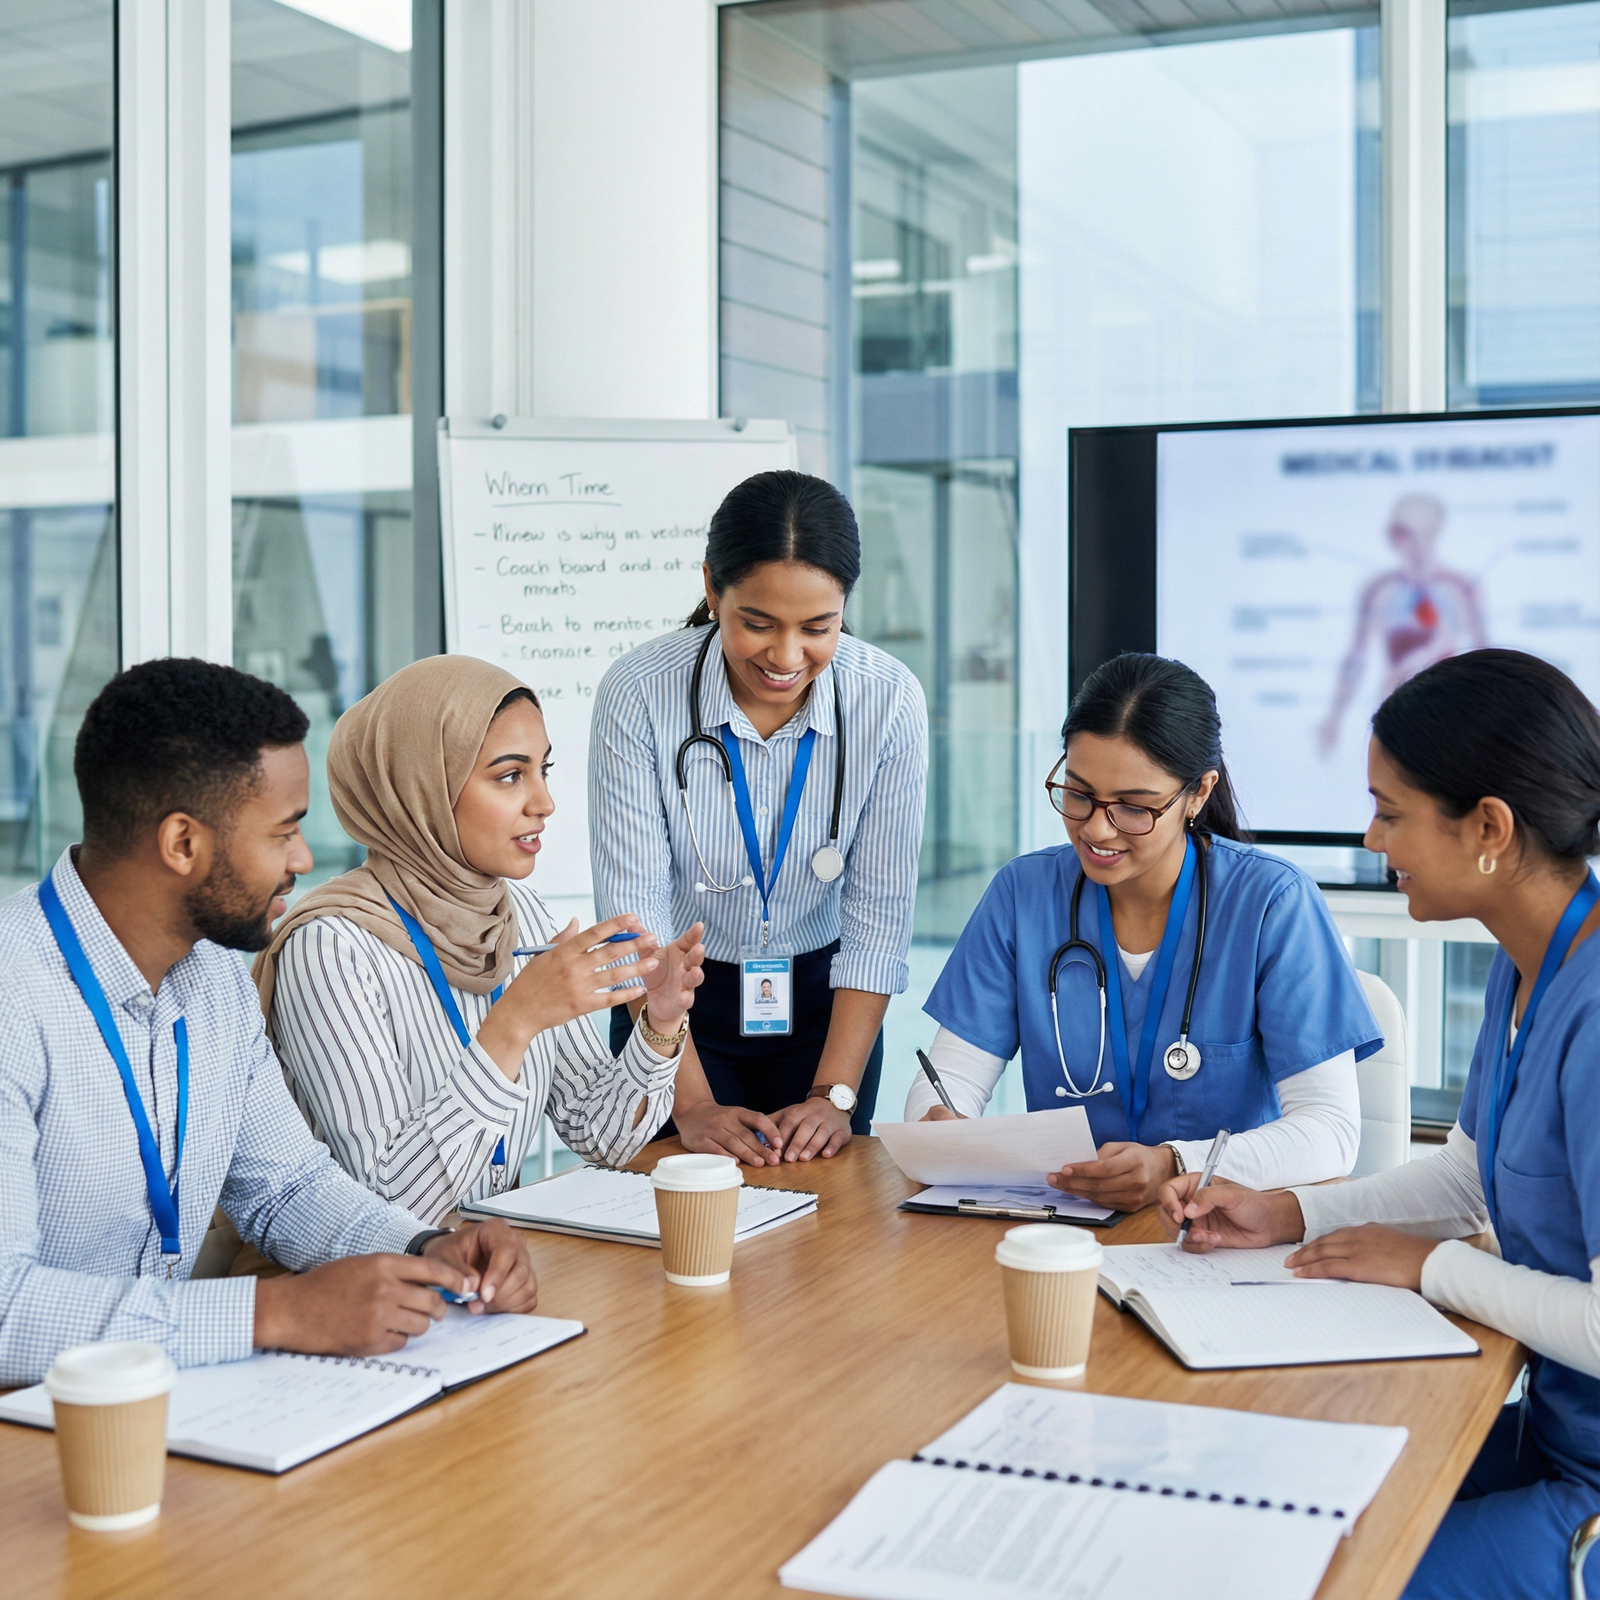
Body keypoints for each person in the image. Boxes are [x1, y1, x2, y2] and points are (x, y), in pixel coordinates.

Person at [1161, 648, 1600, 1600]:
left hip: (1591, 1500)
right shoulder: (1530, 968)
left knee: (1330, 1578)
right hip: (1559, 1440)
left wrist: (1430, 1267)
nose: (1370, 838)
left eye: (1391, 812)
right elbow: (1469, 1177)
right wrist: (1288, 1213)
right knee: (1281, 1506)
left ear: (1489, 827)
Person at [0, 658, 537, 1386]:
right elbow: (5, 1310)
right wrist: (275, 1314)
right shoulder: (14, 994)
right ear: (183, 844)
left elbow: (286, 1188)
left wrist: (423, 1250)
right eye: (283, 833)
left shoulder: (216, 976)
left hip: (158, 1406)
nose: (304, 859)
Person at [911, 652, 1382, 1213]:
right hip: (1066, 1228)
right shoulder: (1023, 895)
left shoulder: (1271, 905)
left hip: (1217, 1231)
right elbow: (948, 1080)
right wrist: (939, 1123)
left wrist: (1177, 1162)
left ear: (1199, 794)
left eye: (1134, 808)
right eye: (1079, 793)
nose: (1096, 828)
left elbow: (1330, 1132)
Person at [255, 656, 705, 1225]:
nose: (544, 803)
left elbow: (604, 1138)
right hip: (377, 1291)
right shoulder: (329, 948)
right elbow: (385, 1209)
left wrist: (660, 1024)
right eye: (510, 775)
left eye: (544, 770)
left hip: (494, 1273)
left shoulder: (523, 916)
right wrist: (513, 1025)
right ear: (423, 788)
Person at [589, 470, 927, 1167]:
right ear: (713, 589)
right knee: (673, 1235)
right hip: (671, 1012)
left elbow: (878, 922)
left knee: (825, 1243)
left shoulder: (888, 702)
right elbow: (635, 919)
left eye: (818, 627)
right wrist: (692, 1105)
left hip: (824, 1013)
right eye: (758, 623)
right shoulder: (640, 694)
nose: (786, 656)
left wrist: (835, 1095)